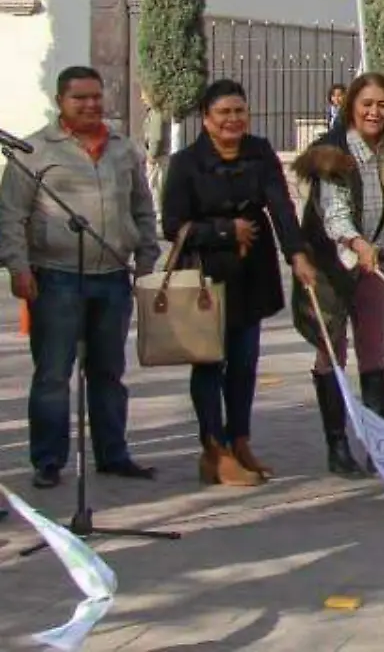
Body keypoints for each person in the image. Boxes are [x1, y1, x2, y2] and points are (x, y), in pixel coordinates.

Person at [0, 66, 162, 489]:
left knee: (108, 372)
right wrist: (18, 268)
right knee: (53, 374)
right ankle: (49, 460)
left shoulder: (124, 150)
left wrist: (146, 256)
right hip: (55, 279)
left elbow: (143, 209)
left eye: (96, 97)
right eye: (80, 99)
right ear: (61, 102)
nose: (91, 105)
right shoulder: (33, 151)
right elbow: (11, 217)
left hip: (112, 278)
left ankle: (113, 454)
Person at [162, 79, 321, 488]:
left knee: (245, 363)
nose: (233, 120)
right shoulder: (184, 163)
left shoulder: (260, 151)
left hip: (253, 274)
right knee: (210, 362)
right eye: (223, 113)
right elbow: (172, 224)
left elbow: (282, 207)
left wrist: (298, 254)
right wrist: (223, 231)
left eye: (239, 111)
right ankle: (215, 451)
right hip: (205, 277)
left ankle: (241, 440)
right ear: (206, 119)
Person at [291, 72, 384, 479]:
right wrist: (360, 245)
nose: (374, 112)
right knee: (332, 350)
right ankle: (337, 445)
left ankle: (378, 445)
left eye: (382, 105)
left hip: (375, 266)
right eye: (367, 105)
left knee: (375, 351)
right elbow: (335, 215)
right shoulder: (334, 153)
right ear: (351, 108)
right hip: (332, 266)